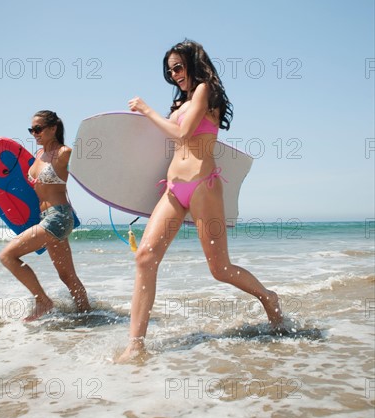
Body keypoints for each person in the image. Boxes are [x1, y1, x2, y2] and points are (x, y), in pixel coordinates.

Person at [118, 40, 282, 361]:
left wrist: (147, 109)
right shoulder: (183, 101)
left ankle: (268, 297)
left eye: (178, 67)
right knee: (145, 259)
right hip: (173, 188)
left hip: (203, 187)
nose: (175, 74)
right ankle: (135, 346)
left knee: (219, 269)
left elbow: (183, 135)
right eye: (170, 71)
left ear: (193, 63)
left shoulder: (205, 90)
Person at [0, 110, 91, 321]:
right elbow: (26, 191)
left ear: (53, 128)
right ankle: (88, 314)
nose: (34, 133)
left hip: (58, 217)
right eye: (31, 130)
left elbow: (90, 172)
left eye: (38, 129)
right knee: (67, 276)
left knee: (7, 256)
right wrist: (3, 207)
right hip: (47, 217)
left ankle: (43, 301)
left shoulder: (64, 153)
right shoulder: (39, 156)